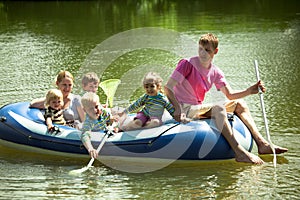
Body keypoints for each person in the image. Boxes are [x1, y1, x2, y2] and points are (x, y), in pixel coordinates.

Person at [164, 33, 288, 164]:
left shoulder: (215, 72)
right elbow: (168, 88)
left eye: (207, 50)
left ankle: (262, 144)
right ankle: (239, 152)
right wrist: (177, 108)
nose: (203, 53)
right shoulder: (187, 64)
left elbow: (230, 95)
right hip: (183, 108)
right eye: (200, 48)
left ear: (215, 51)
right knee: (218, 108)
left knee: (239, 103)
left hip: (196, 108)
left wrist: (250, 91)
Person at [119, 72, 185, 131]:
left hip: (155, 117)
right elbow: (136, 105)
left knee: (155, 123)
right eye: (146, 87)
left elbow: (171, 109)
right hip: (144, 115)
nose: (149, 89)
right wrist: (125, 111)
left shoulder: (162, 99)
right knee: (137, 122)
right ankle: (123, 128)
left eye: (152, 86)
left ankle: (142, 129)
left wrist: (179, 118)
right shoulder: (146, 97)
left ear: (158, 86)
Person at [80, 92, 112, 159]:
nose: (95, 110)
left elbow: (110, 120)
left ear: (99, 105)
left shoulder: (104, 112)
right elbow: (84, 135)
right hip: (96, 134)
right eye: (91, 109)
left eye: (96, 106)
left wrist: (113, 126)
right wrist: (90, 148)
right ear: (84, 110)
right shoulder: (88, 121)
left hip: (104, 130)